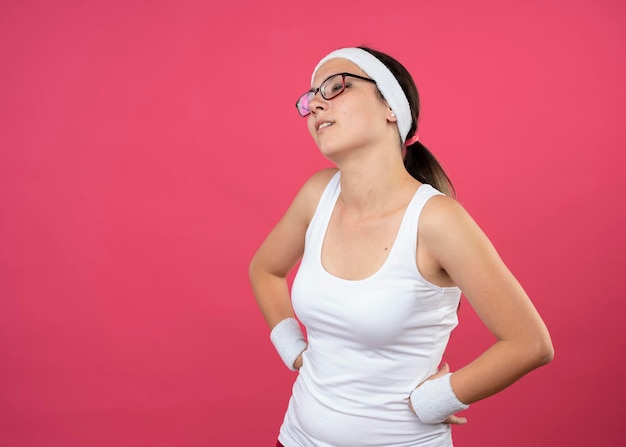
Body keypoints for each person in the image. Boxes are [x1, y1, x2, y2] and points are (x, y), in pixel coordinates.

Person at [249, 46, 554, 447]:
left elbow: (530, 343)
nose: (316, 105)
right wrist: (294, 349)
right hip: (295, 439)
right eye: (310, 100)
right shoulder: (317, 194)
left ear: (391, 107)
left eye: (335, 86)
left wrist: (437, 399)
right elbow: (265, 269)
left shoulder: (437, 220)